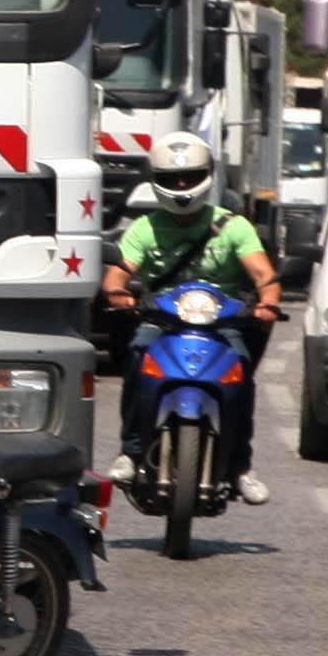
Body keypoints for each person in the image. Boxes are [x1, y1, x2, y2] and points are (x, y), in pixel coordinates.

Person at [102, 131, 279, 503]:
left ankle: (241, 466)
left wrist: (267, 302)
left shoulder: (234, 226)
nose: (181, 185)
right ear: (155, 180)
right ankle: (131, 452)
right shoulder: (143, 228)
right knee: (137, 356)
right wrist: (119, 295)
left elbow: (265, 276)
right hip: (161, 323)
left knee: (242, 372)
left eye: (190, 176)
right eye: (171, 179)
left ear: (208, 174)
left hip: (222, 326)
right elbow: (117, 277)